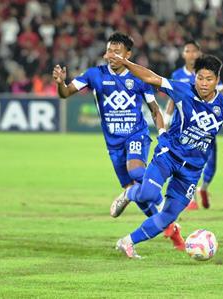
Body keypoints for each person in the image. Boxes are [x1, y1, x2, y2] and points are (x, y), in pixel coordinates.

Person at [52, 32, 184, 250]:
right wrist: (60, 83)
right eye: (110, 51)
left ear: (128, 55)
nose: (112, 55)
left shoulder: (138, 78)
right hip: (113, 144)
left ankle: (163, 206)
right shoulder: (94, 74)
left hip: (137, 135)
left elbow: (154, 108)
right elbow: (65, 94)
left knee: (136, 173)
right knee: (139, 193)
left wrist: (161, 133)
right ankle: (170, 229)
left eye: (117, 52)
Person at [108, 54, 223, 259]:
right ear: (195, 77)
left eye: (209, 79)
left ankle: (127, 242)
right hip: (169, 155)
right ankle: (130, 193)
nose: (204, 83)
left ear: (217, 80)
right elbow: (152, 78)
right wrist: (126, 63)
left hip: (192, 170)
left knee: (168, 217)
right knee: (149, 194)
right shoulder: (182, 89)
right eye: (200, 78)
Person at [165, 40, 223, 210]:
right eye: (187, 51)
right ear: (183, 54)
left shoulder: (208, 73)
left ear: (199, 54)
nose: (191, 54)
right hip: (183, 129)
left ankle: (204, 188)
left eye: (194, 51)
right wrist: (167, 119)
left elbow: (221, 97)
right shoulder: (177, 75)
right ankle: (186, 197)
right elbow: (172, 98)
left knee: (211, 164)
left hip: (205, 129)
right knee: (180, 161)